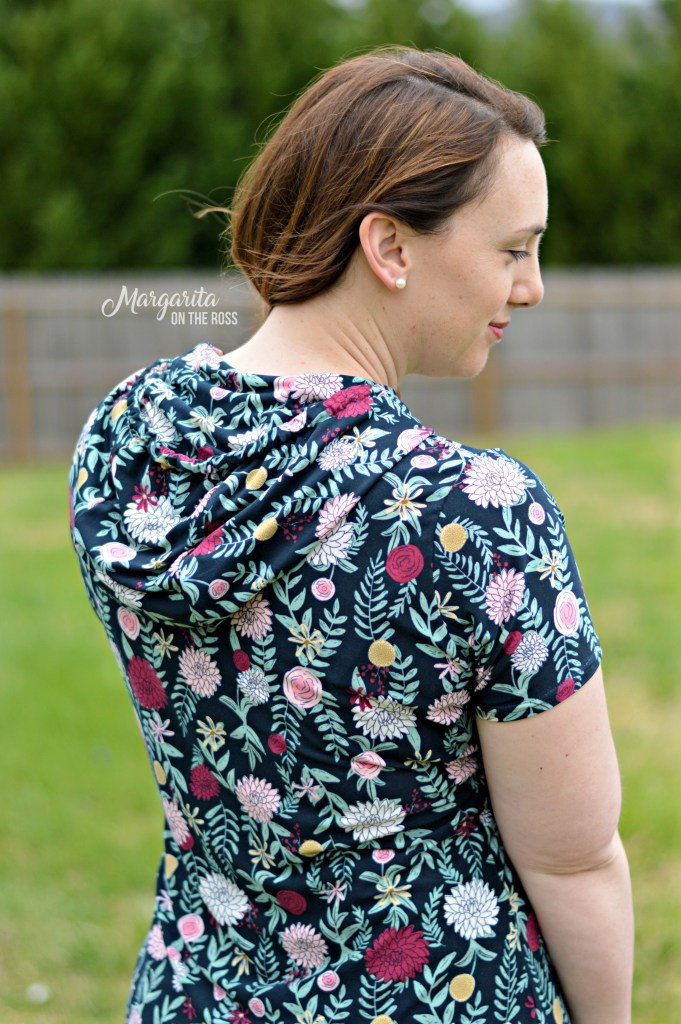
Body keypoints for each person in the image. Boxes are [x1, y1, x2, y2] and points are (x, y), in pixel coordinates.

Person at [69, 46, 633, 1024]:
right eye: (513, 249)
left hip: (197, 993)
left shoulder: (127, 444)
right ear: (391, 247)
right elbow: (573, 860)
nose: (531, 287)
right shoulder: (474, 511)